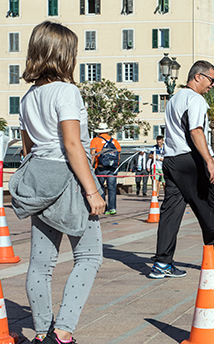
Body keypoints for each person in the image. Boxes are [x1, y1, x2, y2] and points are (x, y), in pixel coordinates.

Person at [14, 21, 104, 344]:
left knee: (41, 263)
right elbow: (72, 143)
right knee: (90, 256)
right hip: (69, 180)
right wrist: (92, 190)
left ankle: (42, 333)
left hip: (41, 179)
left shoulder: (27, 98)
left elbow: (28, 148)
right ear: (63, 54)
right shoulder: (66, 91)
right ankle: (62, 332)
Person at [149, 60, 214, 279]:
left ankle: (162, 263)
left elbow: (180, 133)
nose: (212, 86)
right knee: (210, 207)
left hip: (171, 161)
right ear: (198, 76)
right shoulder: (195, 99)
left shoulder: (173, 99)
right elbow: (196, 131)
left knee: (171, 212)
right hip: (190, 162)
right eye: (211, 80)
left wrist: (209, 157)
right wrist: (208, 162)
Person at [90, 123, 121, 215]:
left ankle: (103, 207)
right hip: (112, 168)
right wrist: (116, 165)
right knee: (112, 188)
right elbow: (118, 156)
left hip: (100, 168)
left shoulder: (95, 140)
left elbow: (92, 155)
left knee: (100, 188)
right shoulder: (115, 141)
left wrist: (91, 167)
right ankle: (112, 208)